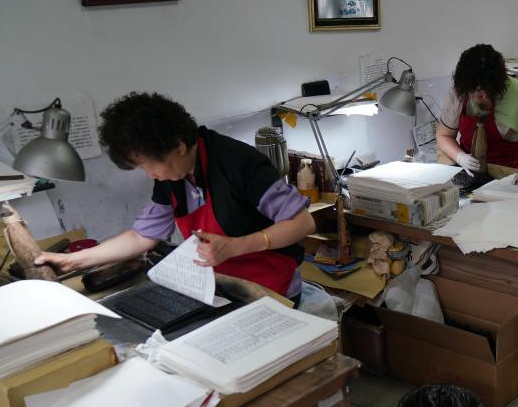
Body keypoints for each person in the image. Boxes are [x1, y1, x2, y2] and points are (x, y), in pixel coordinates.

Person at [36, 92, 315, 302]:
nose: (150, 175)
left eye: (149, 165)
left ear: (179, 146)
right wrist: (75, 261)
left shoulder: (238, 163)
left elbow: (302, 223)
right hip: (219, 283)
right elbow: (141, 237)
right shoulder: (173, 176)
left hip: (269, 286)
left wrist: (237, 246)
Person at [436, 44, 518, 187]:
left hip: (507, 174)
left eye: (483, 93)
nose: (477, 97)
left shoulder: (516, 95)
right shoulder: (460, 91)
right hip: (470, 172)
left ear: (497, 86)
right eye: (472, 92)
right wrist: (460, 157)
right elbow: (444, 135)